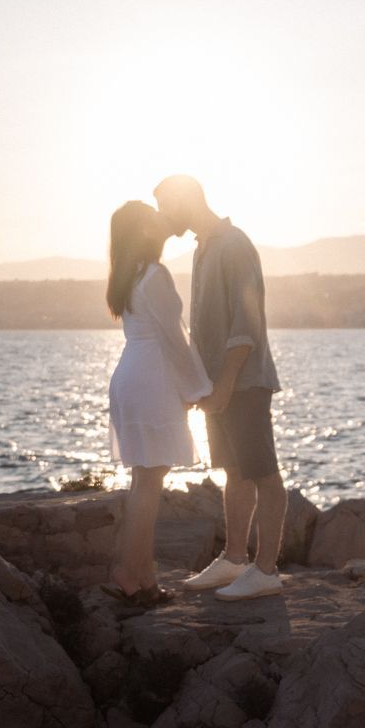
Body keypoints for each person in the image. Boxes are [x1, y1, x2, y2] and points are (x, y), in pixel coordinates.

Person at [155, 175, 285, 601]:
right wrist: (200, 384)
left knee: (263, 472)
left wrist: (226, 385)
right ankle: (233, 560)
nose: (162, 217)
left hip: (242, 382)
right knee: (234, 471)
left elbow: (245, 326)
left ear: (185, 201)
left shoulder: (233, 245)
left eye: (165, 207)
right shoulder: (202, 248)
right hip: (217, 384)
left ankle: (266, 570)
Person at [104, 200, 211, 607]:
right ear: (143, 231)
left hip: (130, 375)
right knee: (150, 482)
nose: (161, 220)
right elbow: (174, 338)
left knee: (142, 481)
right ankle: (134, 576)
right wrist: (199, 388)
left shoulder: (127, 275)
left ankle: (138, 574)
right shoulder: (154, 275)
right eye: (152, 218)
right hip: (150, 377)